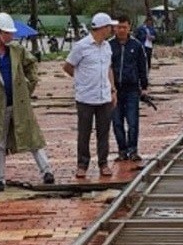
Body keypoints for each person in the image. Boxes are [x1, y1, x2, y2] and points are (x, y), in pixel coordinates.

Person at [0, 12, 54, 192]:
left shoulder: (17, 51)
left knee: (32, 138)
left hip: (18, 102)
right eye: (7, 33)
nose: (11, 36)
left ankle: (46, 171)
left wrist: (28, 87)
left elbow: (32, 66)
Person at [63, 12, 118, 178]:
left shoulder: (107, 47)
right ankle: (82, 164)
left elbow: (108, 69)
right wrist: (81, 80)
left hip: (104, 98)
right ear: (102, 28)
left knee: (104, 132)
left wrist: (113, 90)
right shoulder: (81, 46)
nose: (112, 29)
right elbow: (68, 66)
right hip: (85, 98)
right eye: (110, 26)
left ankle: (103, 163)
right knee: (84, 133)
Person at [110, 14, 148, 162]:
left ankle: (133, 150)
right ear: (114, 28)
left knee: (133, 121)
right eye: (119, 27)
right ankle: (122, 150)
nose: (121, 30)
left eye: (124, 27)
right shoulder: (109, 46)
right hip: (114, 90)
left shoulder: (136, 45)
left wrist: (144, 86)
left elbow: (142, 67)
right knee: (117, 122)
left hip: (132, 89)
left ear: (129, 27)